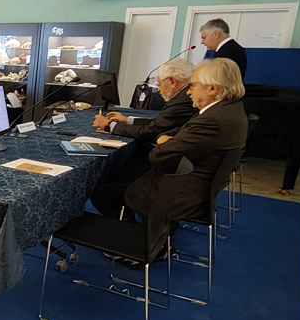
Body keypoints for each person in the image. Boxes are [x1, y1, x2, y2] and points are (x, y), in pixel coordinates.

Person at [91, 58, 248, 220]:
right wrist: (167, 141)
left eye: (192, 86)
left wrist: (165, 142)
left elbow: (158, 156)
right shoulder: (230, 110)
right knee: (113, 176)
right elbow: (177, 132)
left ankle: (136, 233)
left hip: (175, 194)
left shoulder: (212, 120)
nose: (189, 92)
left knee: (100, 192)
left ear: (212, 88)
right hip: (193, 185)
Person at [93, 58, 197, 141]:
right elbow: (159, 123)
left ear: (172, 81)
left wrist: (109, 125)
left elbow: (150, 131)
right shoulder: (182, 97)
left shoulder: (183, 101)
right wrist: (126, 120)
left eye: (159, 84)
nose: (159, 89)